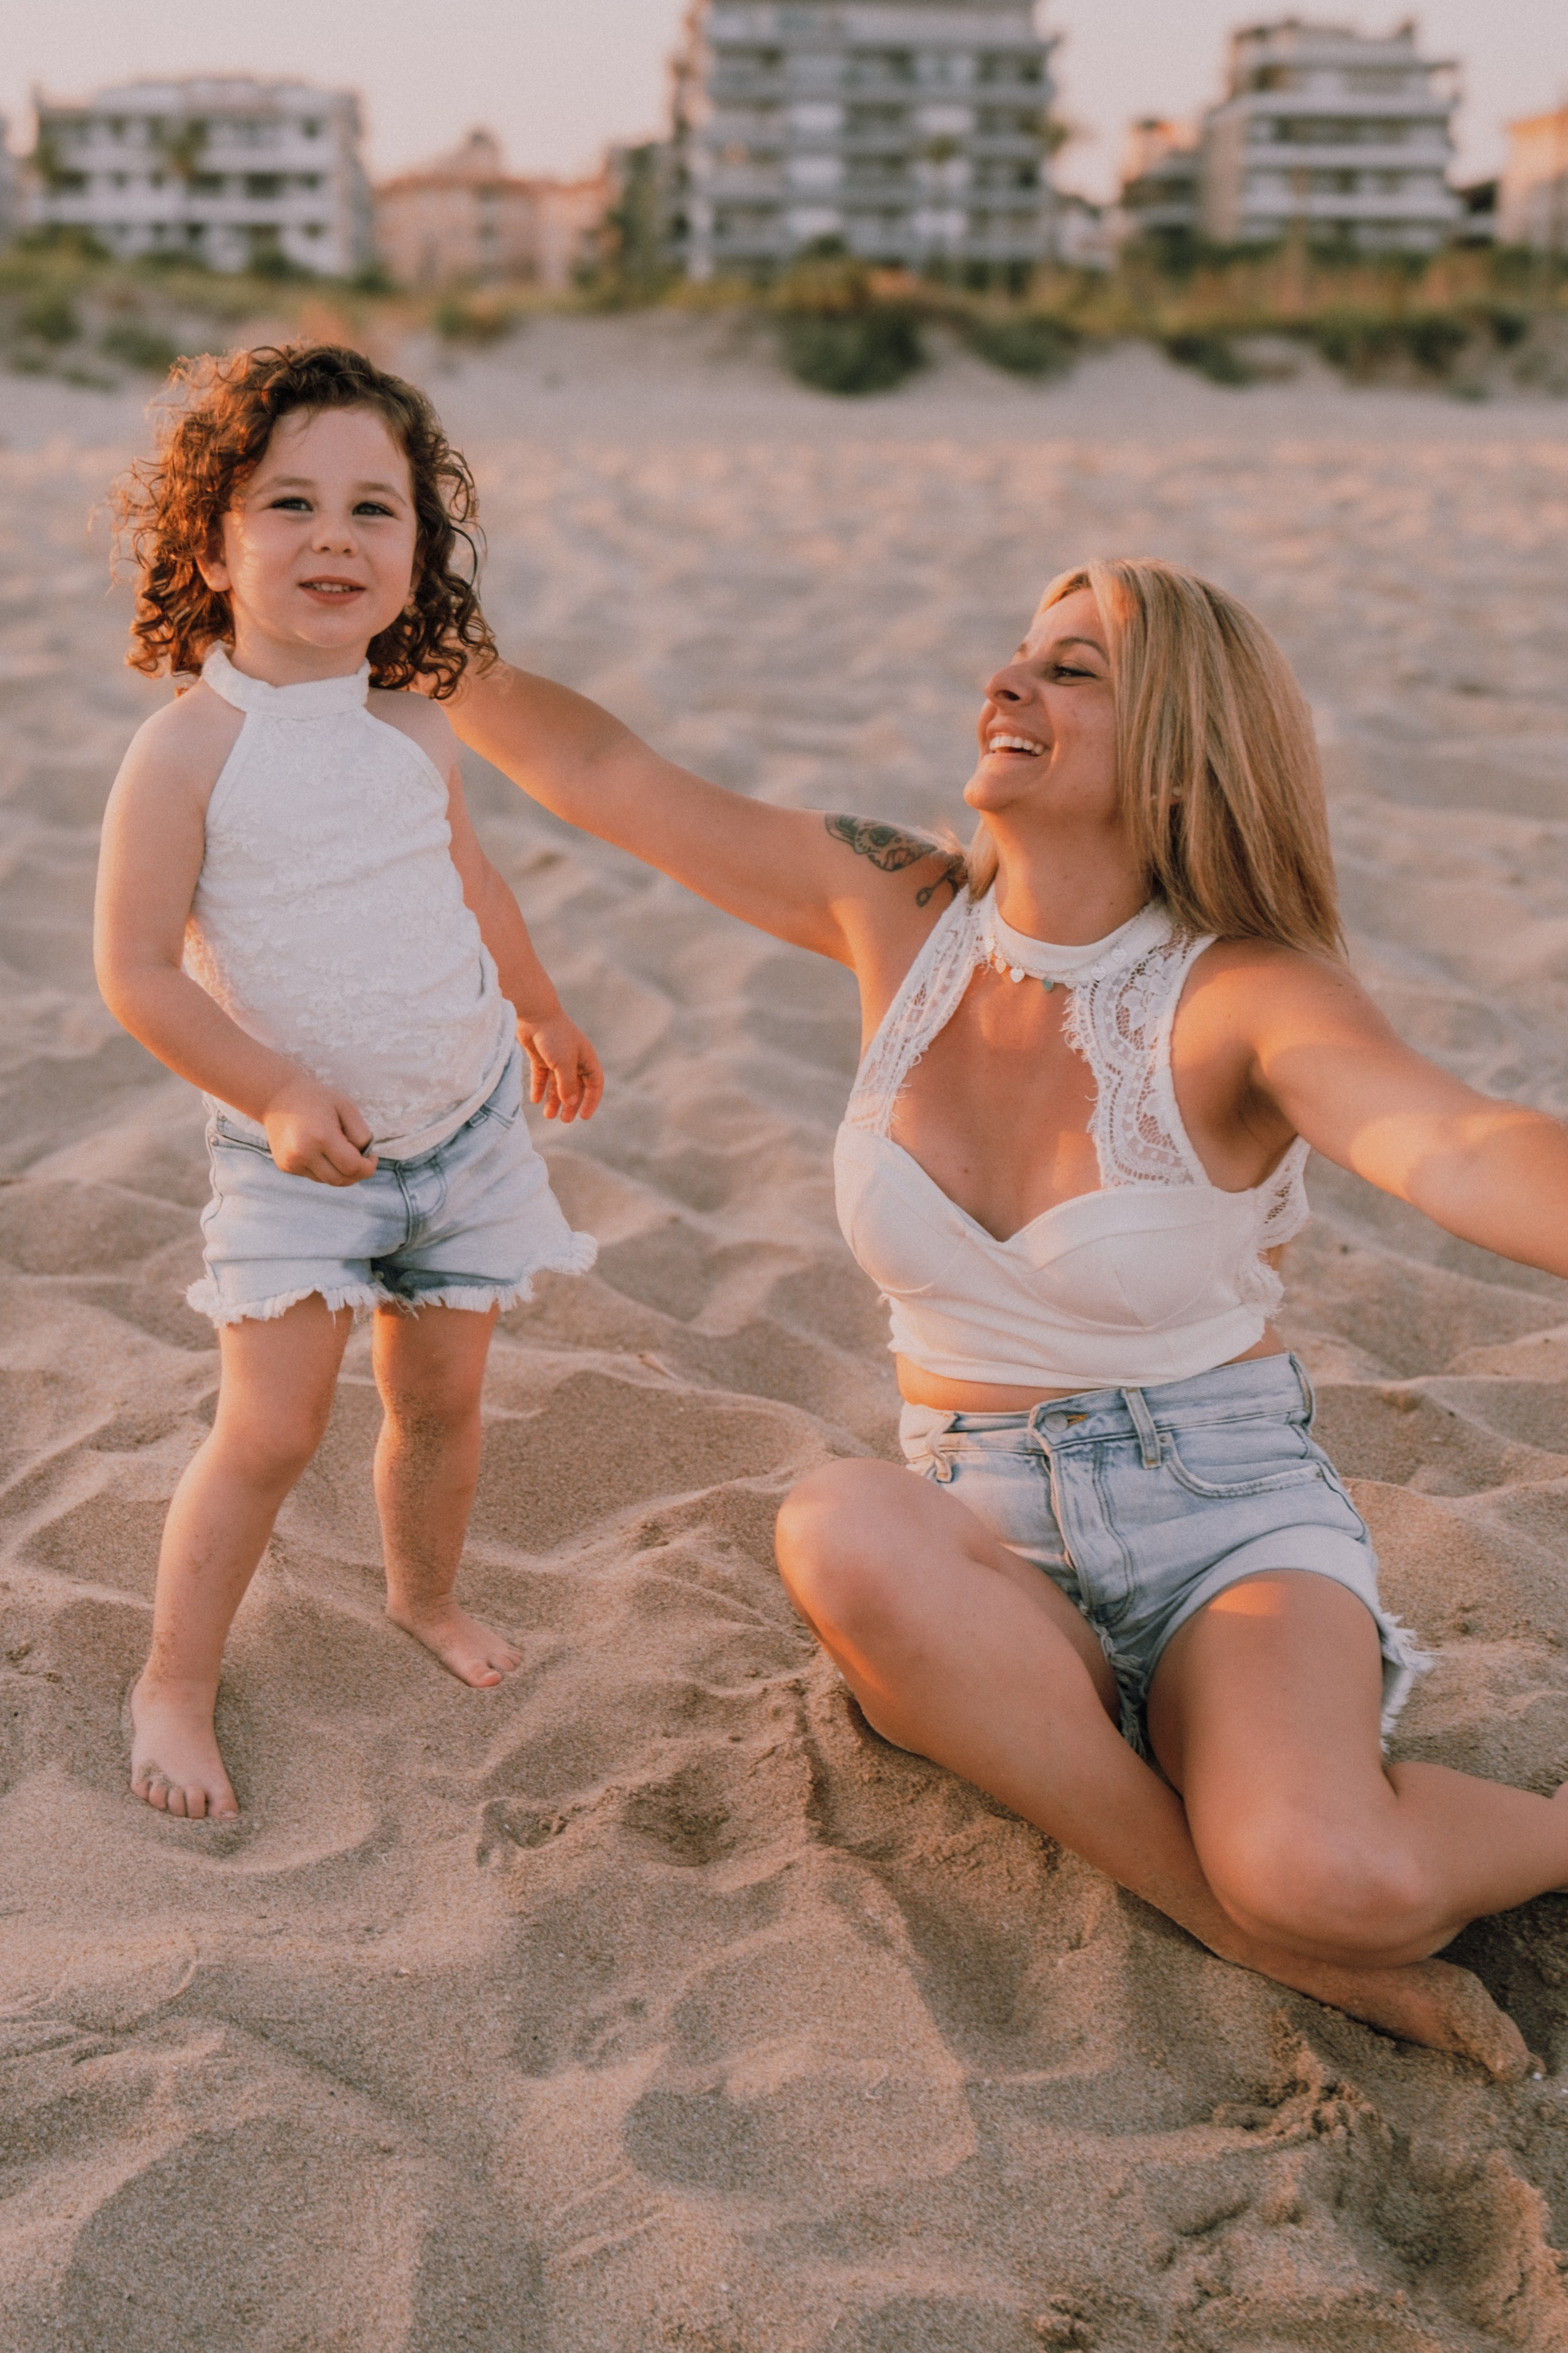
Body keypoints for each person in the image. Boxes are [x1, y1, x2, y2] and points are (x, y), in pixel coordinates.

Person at [432, 554, 1568, 2078]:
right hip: (976, 1532)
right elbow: (597, 768)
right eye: (1016, 652)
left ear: (1179, 744)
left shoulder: (1243, 993)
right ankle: (1224, 1916)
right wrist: (407, 621)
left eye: (1073, 669)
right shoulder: (895, 907)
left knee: (1329, 1877)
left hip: (1222, 1519)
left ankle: (1478, 1854)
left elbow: (1451, 1141)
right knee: (839, 1525)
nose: (1007, 683)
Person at [96, 345, 601, 1821]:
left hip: (467, 1126)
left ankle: (422, 1598)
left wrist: (542, 1007)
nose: (333, 537)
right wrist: (270, 1091)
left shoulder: (414, 725)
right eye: (286, 503)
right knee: (269, 1427)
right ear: (211, 543)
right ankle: (175, 1680)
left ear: (418, 553)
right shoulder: (188, 748)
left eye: (374, 510)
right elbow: (137, 972)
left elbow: (467, 876)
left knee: (442, 1401)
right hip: (293, 1154)